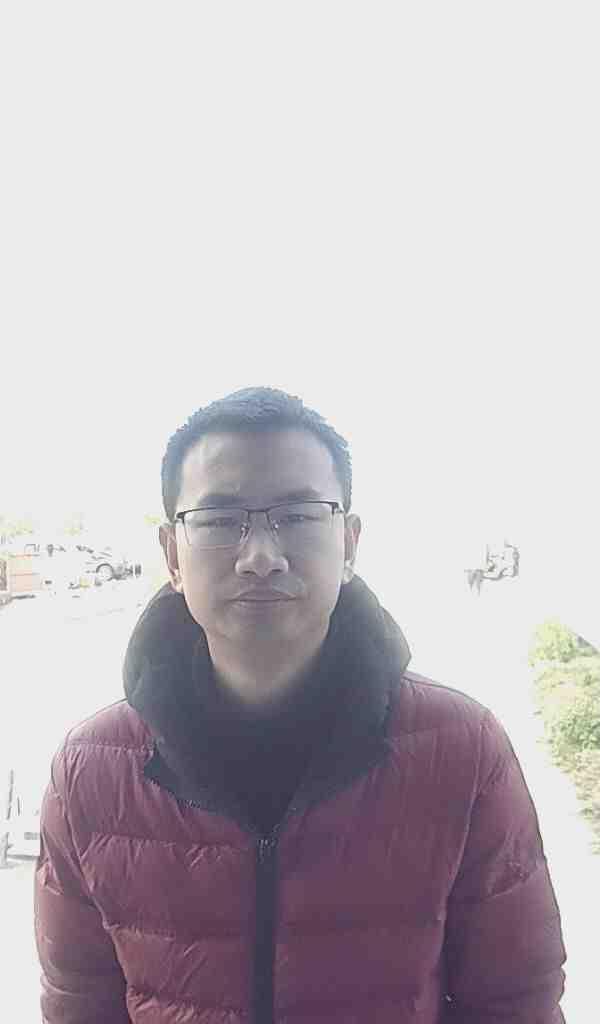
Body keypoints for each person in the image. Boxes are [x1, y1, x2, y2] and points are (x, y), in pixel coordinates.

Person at [35, 387, 566, 1023]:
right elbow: (79, 1004)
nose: (261, 557)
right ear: (173, 554)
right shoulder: (91, 770)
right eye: (219, 520)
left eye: (298, 515)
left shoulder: (461, 749)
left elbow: (515, 1000)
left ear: (349, 543)